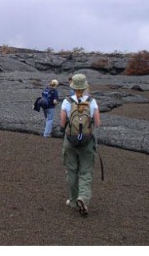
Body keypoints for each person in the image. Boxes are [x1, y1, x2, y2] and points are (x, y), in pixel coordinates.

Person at [60, 74, 101, 217]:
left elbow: (62, 123)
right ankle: (83, 198)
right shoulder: (92, 101)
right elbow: (97, 123)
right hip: (87, 141)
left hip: (70, 140)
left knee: (71, 171)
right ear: (85, 87)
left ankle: (72, 200)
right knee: (86, 171)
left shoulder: (66, 102)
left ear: (73, 87)